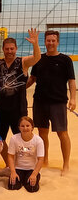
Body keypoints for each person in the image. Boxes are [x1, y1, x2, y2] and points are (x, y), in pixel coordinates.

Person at [0, 28, 41, 168]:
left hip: (18, 108)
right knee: (0, 139)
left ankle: (23, 165)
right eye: (7, 49)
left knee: (23, 139)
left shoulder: (23, 62)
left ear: (16, 48)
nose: (9, 51)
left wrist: (35, 44)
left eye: (12, 49)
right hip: (0, 109)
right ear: (3, 49)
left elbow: (37, 58)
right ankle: (10, 165)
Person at [27, 30, 76, 175]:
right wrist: (19, 88)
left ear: (57, 42)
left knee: (62, 133)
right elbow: (32, 79)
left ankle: (65, 164)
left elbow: (71, 82)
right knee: (42, 133)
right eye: (48, 40)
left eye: (53, 40)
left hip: (58, 102)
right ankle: (45, 160)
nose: (50, 43)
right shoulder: (39, 59)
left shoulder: (66, 60)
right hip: (40, 102)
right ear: (45, 42)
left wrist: (73, 98)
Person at [7, 116, 44, 192]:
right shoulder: (14, 139)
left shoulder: (38, 140)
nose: (25, 128)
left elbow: (41, 159)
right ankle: (20, 179)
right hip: (18, 169)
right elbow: (10, 156)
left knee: (32, 188)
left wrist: (34, 174)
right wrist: (13, 172)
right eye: (22, 126)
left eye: (28, 126)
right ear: (19, 128)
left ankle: (27, 179)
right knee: (12, 186)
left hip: (31, 169)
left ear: (32, 127)